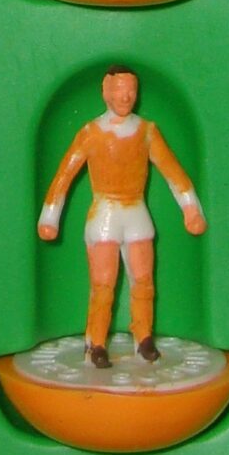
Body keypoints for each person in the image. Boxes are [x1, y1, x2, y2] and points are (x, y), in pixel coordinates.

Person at [37, 67, 205, 366]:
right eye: (118, 90)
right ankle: (96, 342)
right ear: (106, 92)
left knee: (143, 280)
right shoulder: (91, 133)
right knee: (103, 284)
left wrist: (190, 208)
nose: (125, 97)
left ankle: (144, 337)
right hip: (105, 216)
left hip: (136, 213)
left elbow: (172, 171)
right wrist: (49, 218)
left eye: (130, 90)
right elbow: (64, 175)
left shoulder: (147, 131)